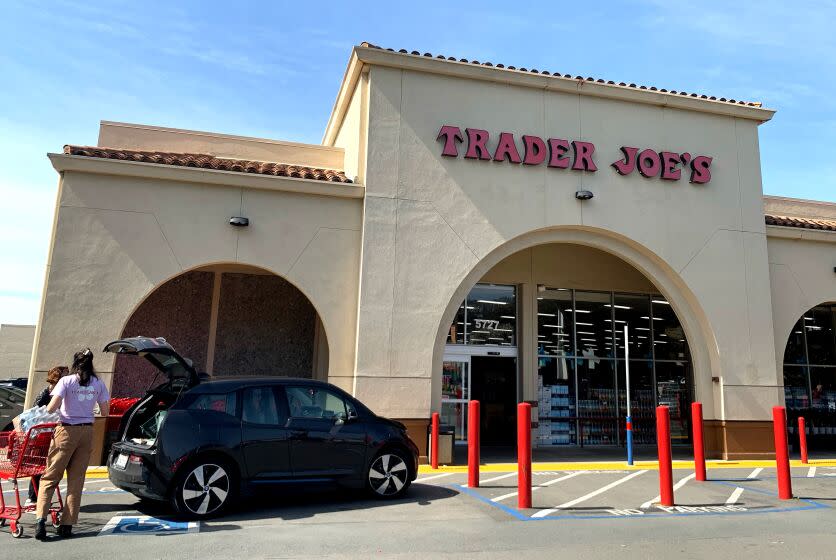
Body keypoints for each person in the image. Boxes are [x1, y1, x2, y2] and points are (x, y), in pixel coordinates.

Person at [34, 348, 109, 540]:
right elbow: (105, 411)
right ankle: (67, 525)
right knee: (76, 481)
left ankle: (41, 521)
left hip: (66, 430)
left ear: (76, 363)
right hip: (87, 432)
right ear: (91, 363)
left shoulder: (66, 381)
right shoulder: (98, 383)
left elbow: (52, 407)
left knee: (50, 476)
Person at [25, 366, 69, 505]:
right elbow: (35, 413)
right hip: (40, 435)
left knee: (47, 466)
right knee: (39, 465)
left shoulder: (59, 392)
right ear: (58, 377)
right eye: (66, 375)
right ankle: (33, 497)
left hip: (52, 433)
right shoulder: (46, 393)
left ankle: (40, 496)